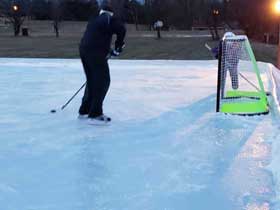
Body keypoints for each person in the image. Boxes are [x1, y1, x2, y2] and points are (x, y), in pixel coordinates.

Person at [78, 0, 126, 125]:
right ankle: (95, 113)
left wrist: (109, 50)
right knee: (103, 81)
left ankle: (84, 110)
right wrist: (118, 47)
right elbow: (121, 29)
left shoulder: (95, 20)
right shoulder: (108, 18)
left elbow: (96, 38)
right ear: (110, 13)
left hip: (84, 50)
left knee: (92, 80)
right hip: (95, 52)